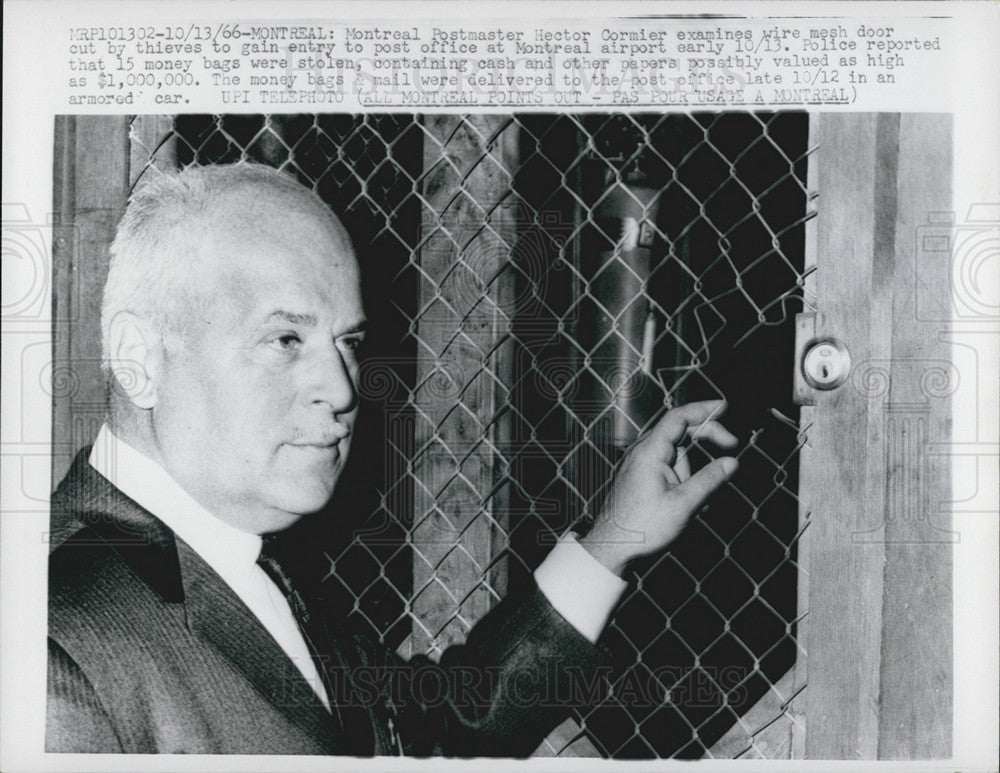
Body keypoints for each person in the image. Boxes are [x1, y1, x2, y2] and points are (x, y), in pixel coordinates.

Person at [46, 163, 740, 755]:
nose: (345, 388)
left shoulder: (243, 556)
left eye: (348, 342)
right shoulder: (52, 647)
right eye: (286, 338)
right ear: (139, 357)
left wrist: (611, 539)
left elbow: (429, 731)